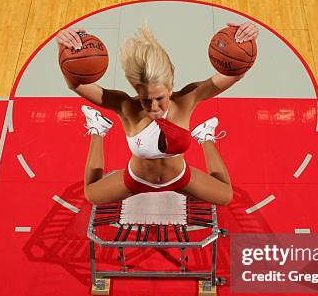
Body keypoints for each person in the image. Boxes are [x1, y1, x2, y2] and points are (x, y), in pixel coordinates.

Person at [56, 22, 258, 205]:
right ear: (136, 91)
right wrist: (64, 51)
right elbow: (76, 84)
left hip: (179, 177)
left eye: (160, 98)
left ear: (170, 87)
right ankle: (97, 129)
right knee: (91, 195)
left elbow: (236, 73)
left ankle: (205, 137)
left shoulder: (187, 99)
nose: (153, 106)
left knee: (226, 197)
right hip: (136, 179)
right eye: (145, 99)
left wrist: (247, 40)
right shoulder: (125, 107)